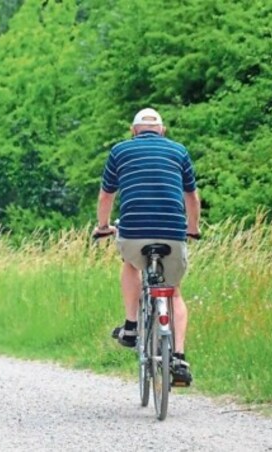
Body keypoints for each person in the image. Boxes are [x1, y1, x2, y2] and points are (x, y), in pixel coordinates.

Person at [92, 108, 201, 386]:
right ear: (162, 130)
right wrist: (193, 228)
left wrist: (103, 226)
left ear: (133, 130)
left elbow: (107, 195)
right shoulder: (179, 151)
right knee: (174, 293)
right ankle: (178, 357)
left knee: (130, 264)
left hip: (134, 232)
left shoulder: (120, 151)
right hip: (173, 232)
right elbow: (192, 196)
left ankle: (130, 326)